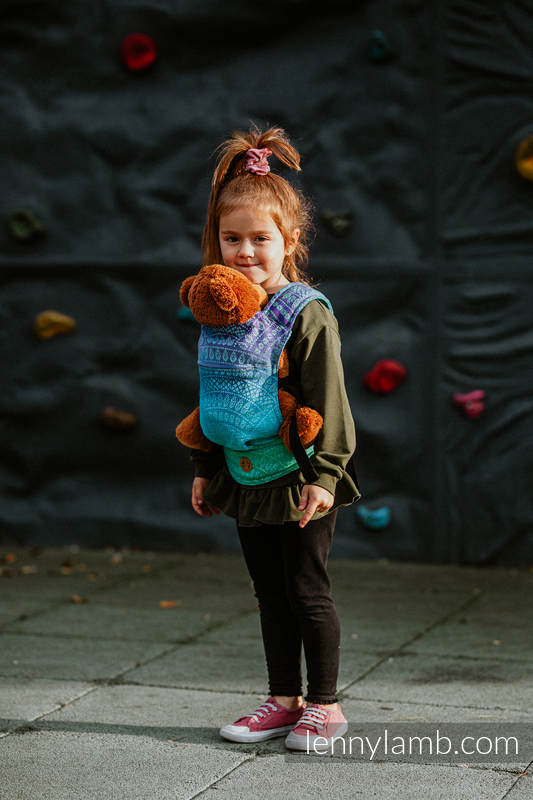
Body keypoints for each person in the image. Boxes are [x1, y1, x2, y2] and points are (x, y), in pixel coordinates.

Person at [186, 124, 361, 752]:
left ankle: (325, 706)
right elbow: (217, 397)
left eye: (260, 239)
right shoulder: (222, 306)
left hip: (300, 477)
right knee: (267, 591)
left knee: (306, 589)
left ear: (289, 242)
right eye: (231, 239)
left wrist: (326, 478)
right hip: (245, 474)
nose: (244, 252)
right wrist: (207, 467)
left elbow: (329, 400)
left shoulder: (303, 310)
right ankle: (283, 699)